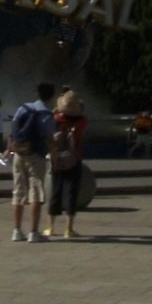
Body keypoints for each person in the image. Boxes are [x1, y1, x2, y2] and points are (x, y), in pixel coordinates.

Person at [9, 82, 57, 243]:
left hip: (19, 154)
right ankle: (33, 232)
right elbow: (50, 138)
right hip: (36, 156)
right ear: (51, 96)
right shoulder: (46, 113)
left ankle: (16, 231)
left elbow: (13, 129)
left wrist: (10, 149)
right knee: (35, 193)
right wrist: (55, 158)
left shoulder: (23, 107)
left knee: (18, 192)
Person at [46, 89, 88, 238]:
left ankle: (50, 227)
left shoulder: (56, 119)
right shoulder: (82, 121)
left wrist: (55, 111)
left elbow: (48, 131)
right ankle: (69, 229)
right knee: (71, 193)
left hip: (57, 160)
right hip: (74, 159)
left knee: (55, 192)